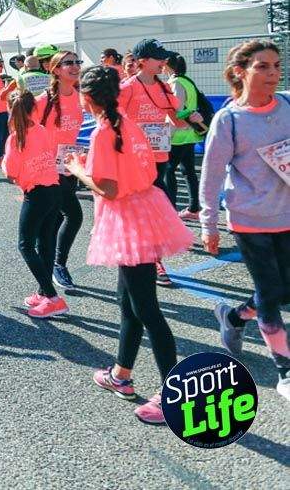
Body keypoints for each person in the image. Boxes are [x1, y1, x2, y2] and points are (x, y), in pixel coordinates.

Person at [64, 65, 192, 425]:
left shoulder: (106, 132)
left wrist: (77, 169)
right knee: (128, 302)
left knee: (147, 308)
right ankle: (121, 373)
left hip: (128, 218)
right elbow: (144, 172)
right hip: (147, 208)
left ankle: (174, 394)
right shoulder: (127, 123)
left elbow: (108, 188)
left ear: (87, 99)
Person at [201, 40, 290, 402]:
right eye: (263, 66)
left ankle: (234, 318)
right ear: (241, 71)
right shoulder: (229, 120)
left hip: (287, 214)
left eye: (276, 66)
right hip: (249, 218)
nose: (272, 73)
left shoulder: (287, 104)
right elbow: (210, 174)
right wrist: (208, 223)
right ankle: (284, 371)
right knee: (270, 293)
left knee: (284, 291)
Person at [118, 38, 203, 287]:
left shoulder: (165, 87)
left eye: (164, 58)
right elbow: (112, 121)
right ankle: (149, 261)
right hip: (134, 162)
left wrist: (192, 118)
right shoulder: (127, 89)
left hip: (159, 160)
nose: (164, 62)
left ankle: (151, 259)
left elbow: (176, 120)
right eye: (158, 58)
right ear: (142, 62)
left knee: (157, 212)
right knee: (140, 215)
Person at [3, 90, 68, 318]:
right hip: (54, 189)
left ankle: (52, 297)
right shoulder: (41, 130)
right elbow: (51, 153)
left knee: (26, 245)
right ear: (34, 108)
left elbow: (10, 170)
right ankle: (43, 292)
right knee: (46, 243)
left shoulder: (15, 138)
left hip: (36, 193)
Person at [35, 51, 86, 291]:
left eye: (78, 62)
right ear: (55, 70)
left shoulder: (80, 96)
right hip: (47, 170)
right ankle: (58, 264)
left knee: (55, 219)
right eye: (69, 63)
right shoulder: (43, 100)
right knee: (74, 215)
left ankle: (46, 264)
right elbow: (21, 130)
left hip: (69, 166)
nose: (75, 66)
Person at [164, 54, 205, 220]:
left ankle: (171, 212)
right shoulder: (187, 81)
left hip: (177, 135)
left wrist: (167, 133)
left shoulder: (175, 82)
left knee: (169, 171)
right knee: (188, 171)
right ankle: (194, 208)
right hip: (190, 132)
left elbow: (177, 110)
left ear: (167, 65)